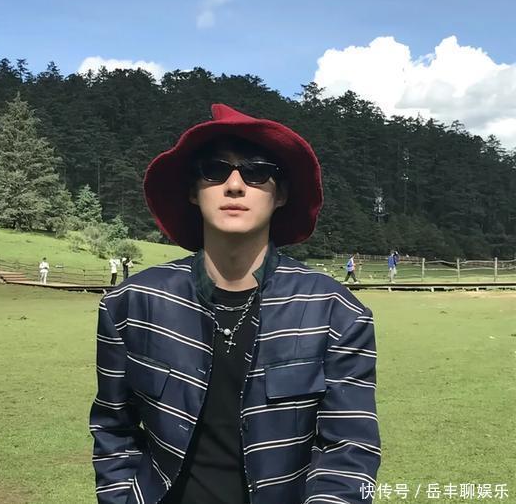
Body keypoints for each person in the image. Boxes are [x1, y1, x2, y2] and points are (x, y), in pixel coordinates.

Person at [90, 104, 381, 504]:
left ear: (281, 194)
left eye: (257, 172)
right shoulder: (132, 305)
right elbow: (113, 429)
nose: (234, 185)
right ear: (193, 191)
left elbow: (349, 451)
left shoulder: (336, 312)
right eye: (214, 170)